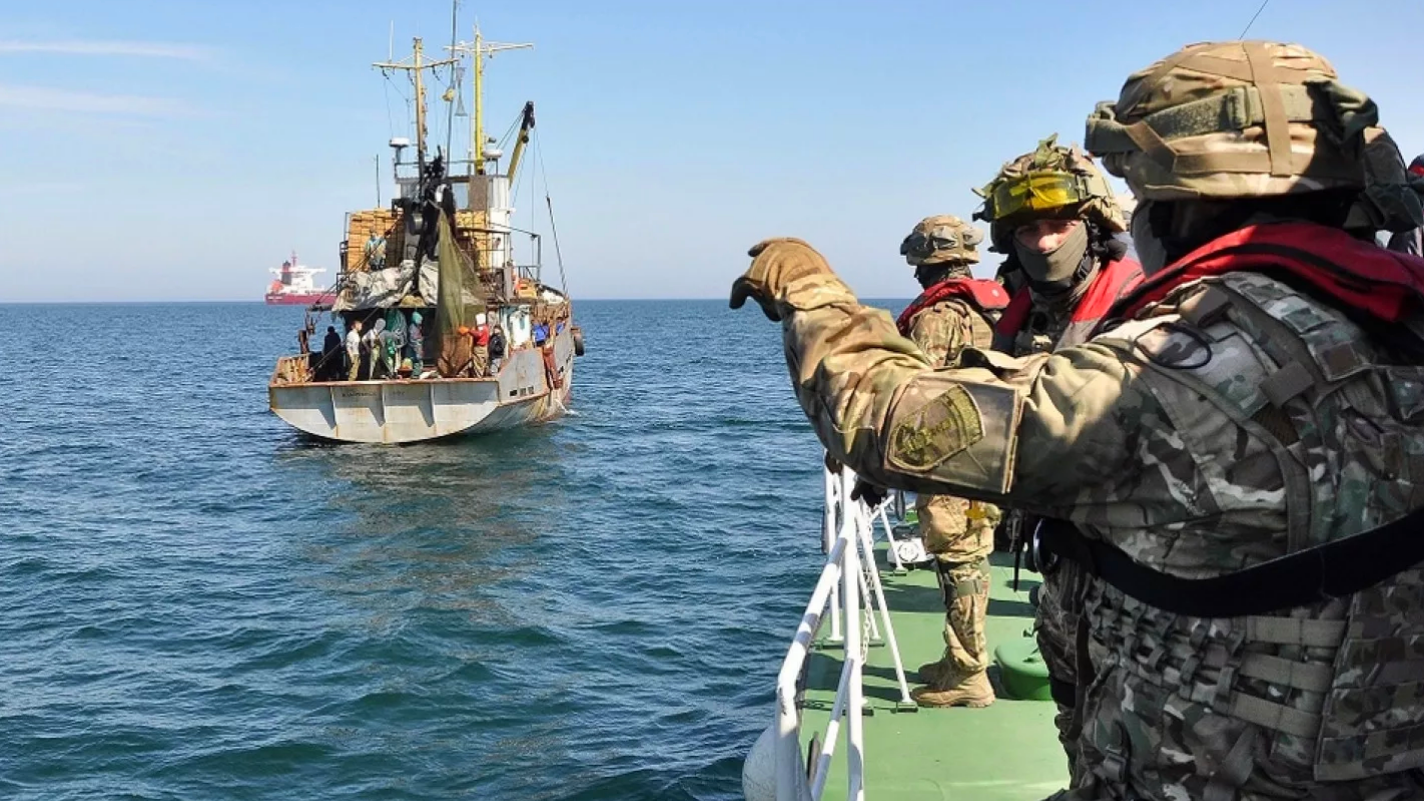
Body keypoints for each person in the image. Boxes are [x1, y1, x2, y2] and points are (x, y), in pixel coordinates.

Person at [731, 40, 1424, 801]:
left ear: (1177, 201)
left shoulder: (1164, 370)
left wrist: (812, 291)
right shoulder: (1397, 323)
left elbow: (884, 417)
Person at [973, 136, 1142, 769]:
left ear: (1092, 229)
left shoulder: (1140, 307)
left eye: (1057, 224)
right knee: (1071, 694)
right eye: (1028, 229)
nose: (1043, 241)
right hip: (1062, 558)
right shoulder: (1026, 313)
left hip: (1134, 561)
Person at [893, 215, 1010, 708]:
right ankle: (958, 658)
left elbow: (917, 395)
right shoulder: (989, 306)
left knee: (958, 560)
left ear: (927, 263)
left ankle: (968, 673)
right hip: (989, 455)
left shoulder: (935, 317)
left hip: (951, 460)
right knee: (973, 557)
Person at [472, 312, 492, 377]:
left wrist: (469, 331)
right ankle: (482, 375)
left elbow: (478, 334)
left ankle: (478, 378)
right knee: (483, 363)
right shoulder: (486, 327)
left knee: (478, 363)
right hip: (485, 347)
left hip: (479, 348)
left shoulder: (481, 328)